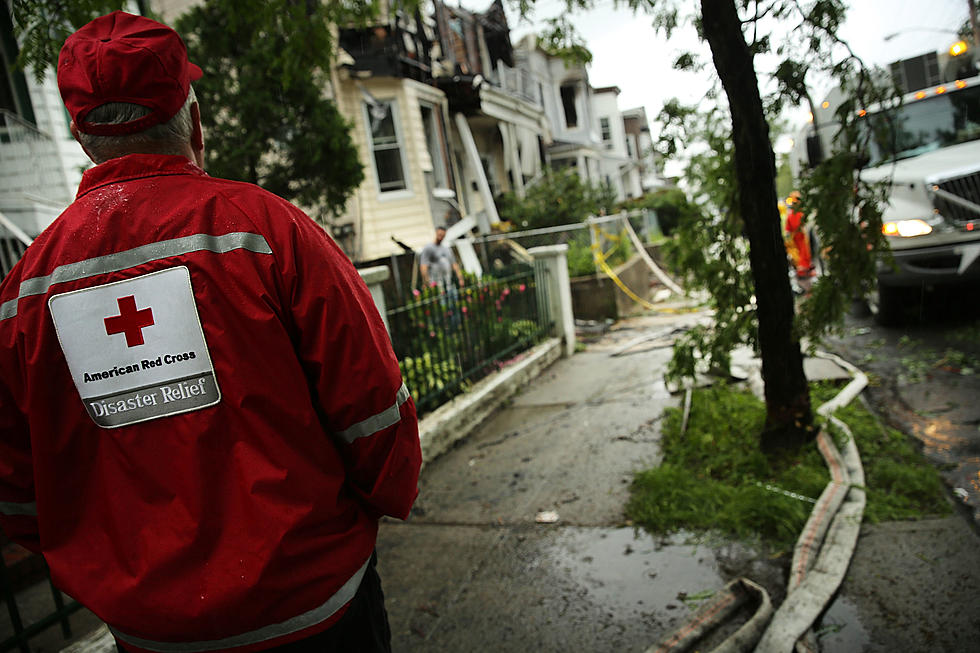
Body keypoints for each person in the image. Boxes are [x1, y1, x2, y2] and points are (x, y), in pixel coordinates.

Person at [0, 11, 421, 653]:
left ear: (81, 134)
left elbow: (18, 491)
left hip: (154, 637)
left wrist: (109, 564)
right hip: (315, 612)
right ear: (193, 119)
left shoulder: (23, 296)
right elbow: (373, 414)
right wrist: (370, 510)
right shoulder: (268, 233)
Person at [419, 224, 464, 289]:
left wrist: (460, 278)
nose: (441, 237)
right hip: (435, 284)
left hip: (448, 283)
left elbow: (454, 264)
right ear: (436, 233)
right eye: (440, 235)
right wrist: (427, 283)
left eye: (443, 236)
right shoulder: (428, 248)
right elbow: (423, 266)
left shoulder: (447, 249)